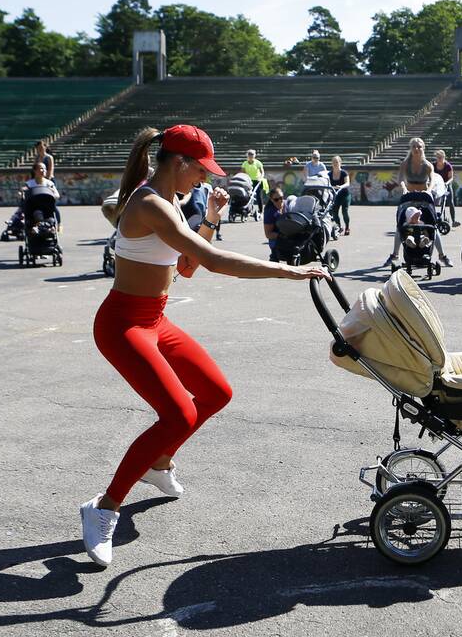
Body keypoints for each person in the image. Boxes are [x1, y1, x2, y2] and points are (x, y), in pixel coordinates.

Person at [81, 125, 328, 568]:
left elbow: (188, 267)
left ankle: (160, 462)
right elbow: (213, 263)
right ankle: (104, 507)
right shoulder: (150, 203)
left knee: (217, 394)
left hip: (155, 320)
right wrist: (287, 270)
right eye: (200, 171)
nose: (204, 179)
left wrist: (211, 218)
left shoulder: (171, 200)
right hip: (122, 325)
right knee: (178, 413)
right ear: (178, 163)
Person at [384, 138, 440, 266]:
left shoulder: (427, 165)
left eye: (419, 147)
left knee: (431, 224)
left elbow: (432, 180)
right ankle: (395, 254)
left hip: (423, 197)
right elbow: (401, 179)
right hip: (408, 197)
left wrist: (429, 191)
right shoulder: (405, 163)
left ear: (423, 148)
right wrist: (404, 188)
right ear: (410, 148)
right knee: (401, 224)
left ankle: (442, 255)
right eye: (414, 146)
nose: (416, 149)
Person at [433, 149, 459, 226]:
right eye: (438, 157)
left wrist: (446, 183)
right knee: (432, 200)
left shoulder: (448, 166)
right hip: (437, 185)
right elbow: (431, 175)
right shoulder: (433, 165)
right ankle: (433, 218)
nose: (439, 159)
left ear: (444, 157)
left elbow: (451, 178)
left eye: (441, 157)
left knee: (450, 201)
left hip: (446, 185)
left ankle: (454, 221)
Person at [262, 187, 288, 259]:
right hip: (277, 239)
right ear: (271, 200)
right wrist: (283, 236)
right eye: (276, 199)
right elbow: (268, 234)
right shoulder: (269, 212)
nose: (280, 201)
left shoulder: (287, 204)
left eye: (281, 198)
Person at [329, 155, 351, 236]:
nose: (335, 163)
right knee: (334, 212)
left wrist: (340, 186)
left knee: (344, 211)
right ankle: (339, 227)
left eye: (337, 162)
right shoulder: (329, 174)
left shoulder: (344, 173)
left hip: (345, 194)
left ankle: (347, 227)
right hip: (335, 195)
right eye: (333, 162)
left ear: (340, 163)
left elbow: (347, 183)